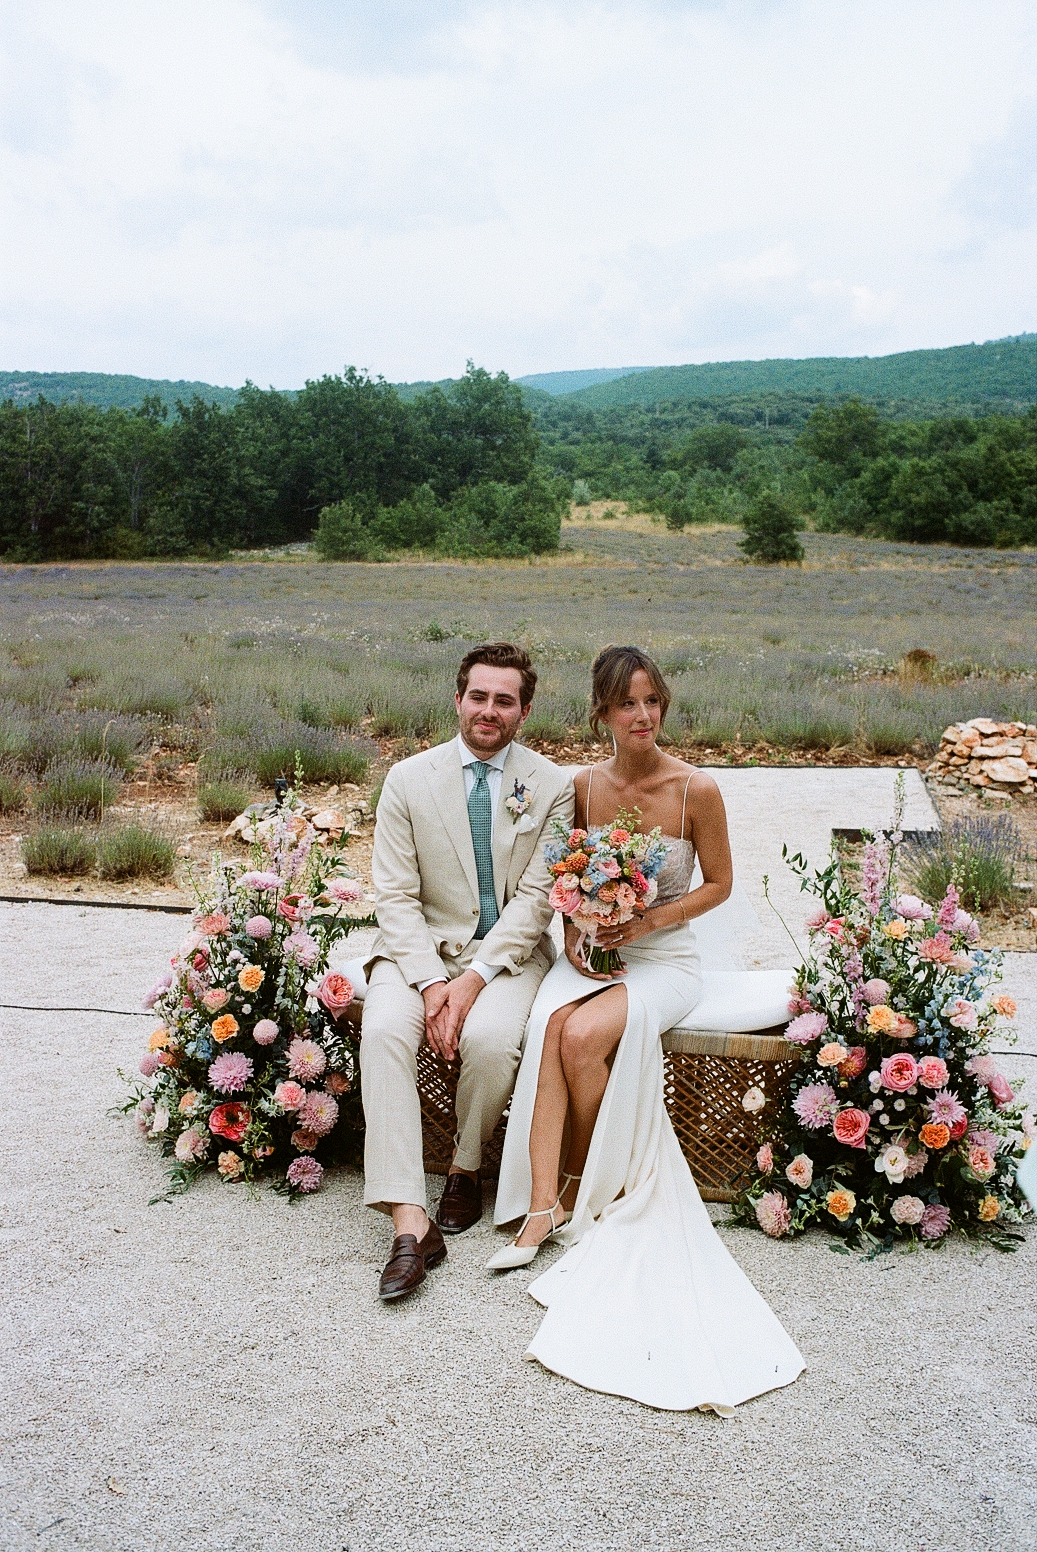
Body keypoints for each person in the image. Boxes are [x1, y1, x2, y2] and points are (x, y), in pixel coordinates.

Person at [491, 645, 805, 1412]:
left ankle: (604, 1181)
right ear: (601, 712)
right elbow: (564, 884)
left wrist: (650, 920)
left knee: (583, 1037)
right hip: (595, 950)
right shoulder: (583, 789)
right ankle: (541, 1208)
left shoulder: (695, 788)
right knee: (548, 1024)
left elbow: (722, 884)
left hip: (667, 959)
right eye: (627, 704)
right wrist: (575, 939)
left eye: (653, 702)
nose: (643, 716)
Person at [360, 642, 574, 1301]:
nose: (488, 709)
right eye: (477, 696)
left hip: (504, 956)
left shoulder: (551, 787)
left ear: (524, 711)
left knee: (486, 1041)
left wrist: (472, 981)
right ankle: (409, 1222)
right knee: (383, 1032)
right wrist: (430, 985)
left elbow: (539, 900)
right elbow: (393, 896)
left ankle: (464, 1165)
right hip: (416, 951)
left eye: (503, 700)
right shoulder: (407, 779)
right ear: (457, 700)